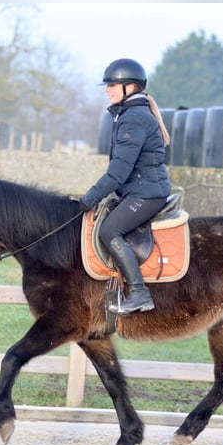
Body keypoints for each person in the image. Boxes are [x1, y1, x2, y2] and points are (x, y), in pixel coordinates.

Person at [78, 58, 172, 315]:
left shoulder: (134, 119)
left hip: (147, 194)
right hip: (140, 190)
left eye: (112, 85)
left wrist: (88, 199)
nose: (107, 90)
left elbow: (118, 172)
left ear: (129, 87)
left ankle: (140, 294)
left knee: (109, 231)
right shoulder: (130, 115)